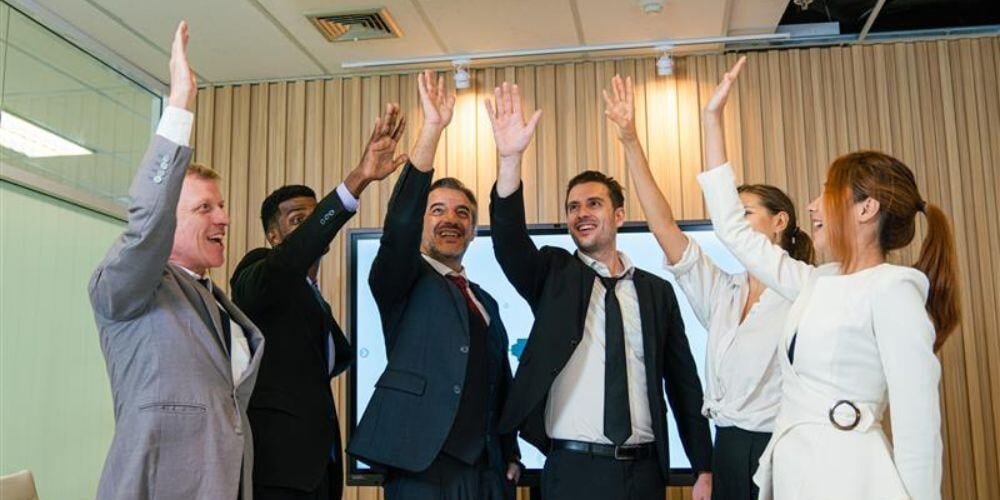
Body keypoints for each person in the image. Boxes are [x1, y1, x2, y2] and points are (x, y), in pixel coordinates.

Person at [698, 57, 960, 500]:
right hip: (794, 475)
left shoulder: (894, 291)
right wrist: (711, 121)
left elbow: (920, 433)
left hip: (850, 479)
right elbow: (733, 230)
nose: (813, 206)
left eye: (826, 192)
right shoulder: (815, 282)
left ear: (866, 208)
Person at [487, 82, 713, 500]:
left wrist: (703, 466)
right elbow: (508, 241)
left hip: (643, 471)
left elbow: (683, 384)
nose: (581, 214)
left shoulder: (657, 293)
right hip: (572, 471)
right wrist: (510, 158)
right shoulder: (553, 274)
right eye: (573, 207)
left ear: (620, 215)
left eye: (594, 204)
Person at [602, 70, 815, 500]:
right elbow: (663, 227)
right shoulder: (724, 291)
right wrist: (629, 140)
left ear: (780, 222)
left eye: (745, 213)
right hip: (728, 446)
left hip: (782, 447)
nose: (734, 224)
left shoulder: (805, 289)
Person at [88, 21, 264, 500]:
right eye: (205, 208)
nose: (224, 218)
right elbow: (146, 221)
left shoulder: (212, 297)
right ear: (169, 220)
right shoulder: (126, 287)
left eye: (222, 205)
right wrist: (180, 104)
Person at [347, 70, 522, 500]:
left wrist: (510, 453)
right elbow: (400, 222)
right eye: (438, 210)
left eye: (462, 213)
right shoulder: (400, 278)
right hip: (421, 469)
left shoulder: (487, 303)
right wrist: (432, 130)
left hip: (488, 474)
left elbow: (499, 381)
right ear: (422, 223)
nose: (450, 219)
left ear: (474, 230)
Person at [230, 105, 407, 499]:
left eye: (314, 218)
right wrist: (358, 180)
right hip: (277, 473)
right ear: (273, 236)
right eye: (298, 220)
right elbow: (280, 271)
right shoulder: (258, 271)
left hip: (320, 470)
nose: (311, 227)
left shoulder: (313, 298)